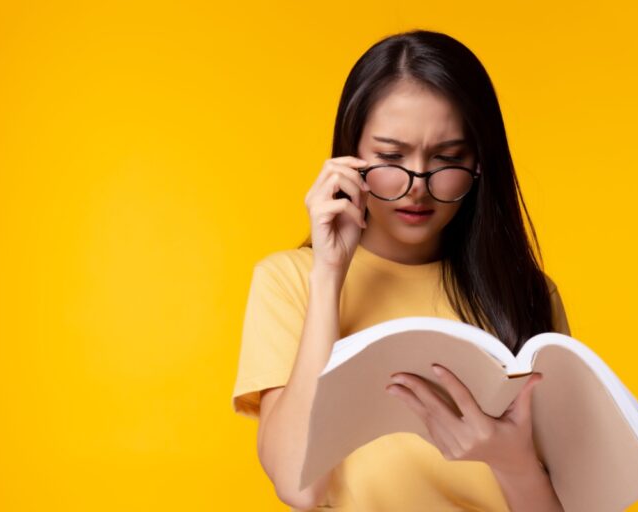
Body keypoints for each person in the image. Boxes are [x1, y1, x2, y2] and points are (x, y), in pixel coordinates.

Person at [231, 29, 571, 512]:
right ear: (350, 155)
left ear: (479, 165)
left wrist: (513, 463)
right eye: (391, 157)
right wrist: (329, 273)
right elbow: (298, 487)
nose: (418, 186)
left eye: (447, 158)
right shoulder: (290, 282)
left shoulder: (526, 294)